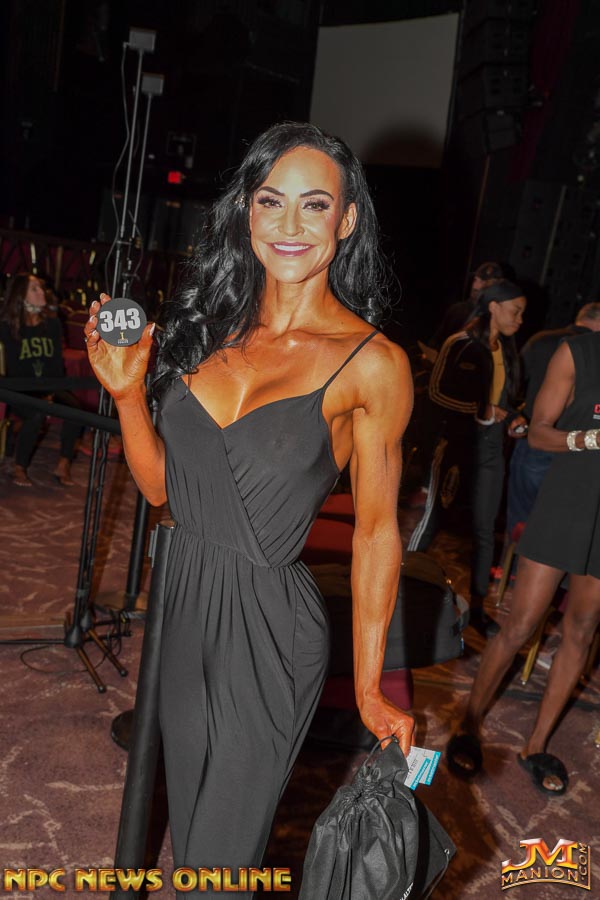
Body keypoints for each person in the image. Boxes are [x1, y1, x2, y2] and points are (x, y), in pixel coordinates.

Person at [84, 122, 415, 891]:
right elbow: (164, 491)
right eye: (271, 201)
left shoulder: (374, 364)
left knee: (219, 860)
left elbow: (376, 532)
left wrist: (370, 685)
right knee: (191, 835)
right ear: (246, 211)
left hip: (268, 628)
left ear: (347, 220)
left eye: (314, 204)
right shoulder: (209, 328)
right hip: (182, 605)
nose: (290, 224)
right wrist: (128, 395)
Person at [446, 328, 600, 795]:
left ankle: (535, 745)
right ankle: (469, 722)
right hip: (566, 503)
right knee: (521, 623)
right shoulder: (579, 352)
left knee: (582, 629)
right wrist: (588, 439)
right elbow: (538, 432)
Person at [408, 280, 528, 638]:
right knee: (433, 521)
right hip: (456, 446)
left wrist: (513, 416)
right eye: (516, 311)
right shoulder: (460, 343)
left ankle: (476, 609)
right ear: (494, 307)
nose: (520, 319)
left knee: (484, 530)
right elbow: (436, 393)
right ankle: (397, 588)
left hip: (490, 449)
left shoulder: (507, 350)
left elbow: (505, 400)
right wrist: (482, 410)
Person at [506, 301, 600, 535]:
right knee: (560, 528)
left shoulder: (541, 340)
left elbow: (512, 382)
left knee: (520, 523)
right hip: (575, 452)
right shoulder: (586, 352)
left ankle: (511, 559)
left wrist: (516, 414)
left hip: (537, 437)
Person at [0, 273, 81, 487]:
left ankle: (63, 464)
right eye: (34, 289)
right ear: (21, 296)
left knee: (75, 411)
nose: (41, 292)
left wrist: (51, 392)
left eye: (41, 287)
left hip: (48, 385)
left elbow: (56, 363)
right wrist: (39, 394)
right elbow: (13, 367)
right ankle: (20, 467)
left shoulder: (52, 323)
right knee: (36, 413)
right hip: (19, 388)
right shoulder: (8, 326)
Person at [427, 261, 507, 352]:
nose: (475, 286)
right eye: (475, 280)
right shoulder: (457, 310)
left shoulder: (499, 321)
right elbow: (436, 341)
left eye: (483, 282)